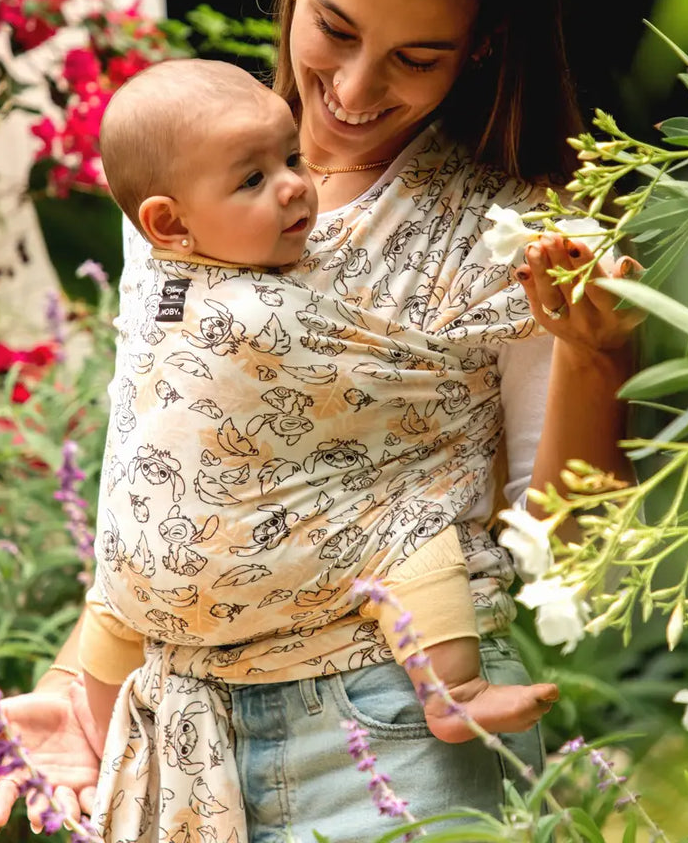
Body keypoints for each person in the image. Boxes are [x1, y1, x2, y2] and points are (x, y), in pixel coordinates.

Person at [0, 0, 641, 843]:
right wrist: (79, 684)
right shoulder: (184, 187)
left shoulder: (518, 237)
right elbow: (164, 480)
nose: (357, 91)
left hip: (405, 736)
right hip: (182, 736)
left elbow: (568, 547)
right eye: (336, 30)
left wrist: (596, 359)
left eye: (418, 57)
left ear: (482, 42)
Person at [80, 56, 558, 790]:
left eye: (291, 156)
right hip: (180, 627)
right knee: (406, 525)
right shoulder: (243, 298)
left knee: (401, 522)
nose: (295, 185)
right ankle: (453, 691)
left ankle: (451, 693)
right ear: (168, 224)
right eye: (252, 179)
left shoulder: (166, 276)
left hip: (155, 589)